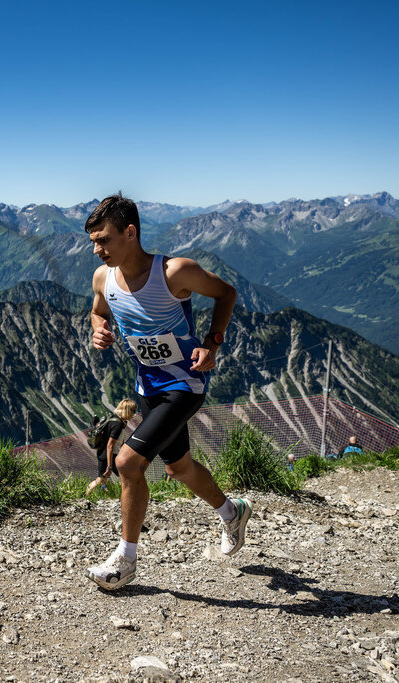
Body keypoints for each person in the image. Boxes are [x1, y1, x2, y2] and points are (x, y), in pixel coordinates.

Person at [84, 193, 253, 591]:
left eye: (104, 240)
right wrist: (98, 329)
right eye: (93, 241)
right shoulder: (102, 279)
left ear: (130, 233)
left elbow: (225, 294)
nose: (97, 250)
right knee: (179, 468)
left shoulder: (176, 272)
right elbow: (99, 310)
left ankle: (125, 560)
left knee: (127, 463)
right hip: (149, 386)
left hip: (186, 383)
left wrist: (212, 344)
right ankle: (233, 512)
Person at [86, 398, 138, 494]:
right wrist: (109, 466)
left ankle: (87, 494)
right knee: (125, 475)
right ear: (126, 410)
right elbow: (110, 445)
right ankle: (130, 495)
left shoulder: (116, 420)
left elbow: (119, 440)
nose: (134, 413)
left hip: (103, 452)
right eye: (133, 411)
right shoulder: (118, 424)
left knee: (102, 479)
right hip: (109, 455)